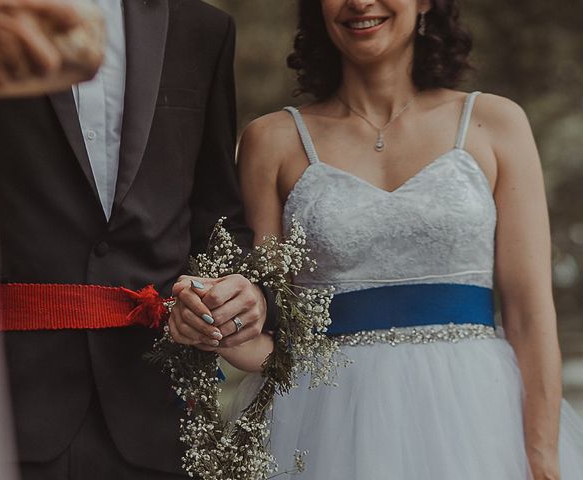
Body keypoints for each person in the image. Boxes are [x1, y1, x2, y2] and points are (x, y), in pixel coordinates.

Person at [215, 0, 583, 479]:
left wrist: (542, 459)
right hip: (323, 423)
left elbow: (530, 314)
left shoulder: (495, 123)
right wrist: (215, 329)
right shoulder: (272, 140)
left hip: (478, 418)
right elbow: (271, 329)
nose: (360, 3)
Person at [0, 0, 276, 478]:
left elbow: (216, 217)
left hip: (157, 410)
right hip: (0, 405)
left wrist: (239, 292)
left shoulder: (203, 29)